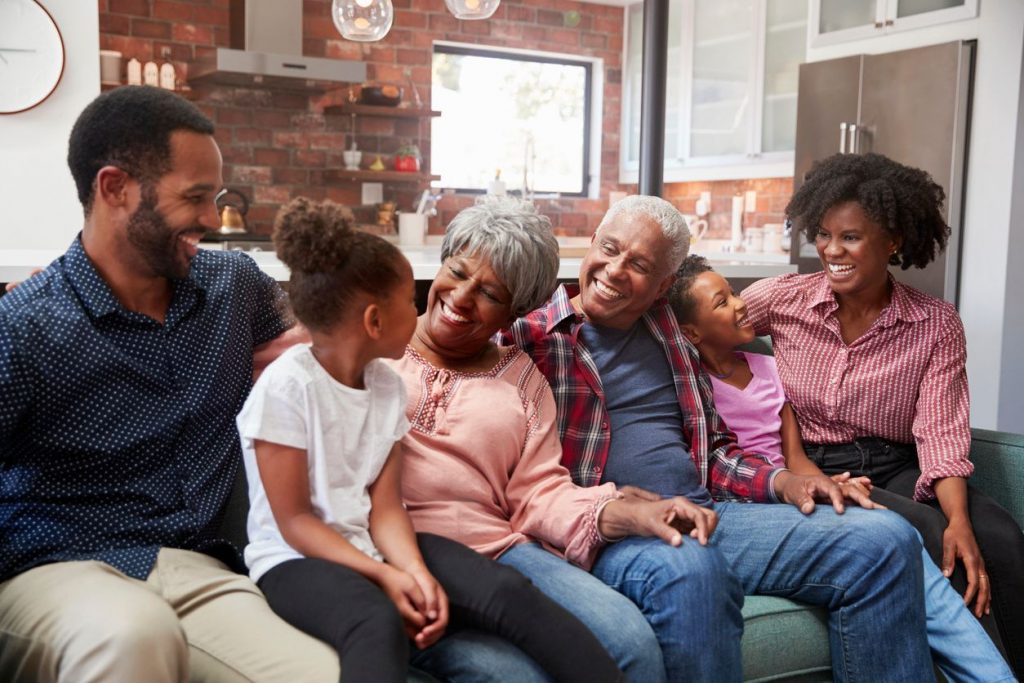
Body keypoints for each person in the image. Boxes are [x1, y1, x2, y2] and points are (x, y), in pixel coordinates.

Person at [502, 194, 935, 683]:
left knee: (886, 540)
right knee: (692, 568)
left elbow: (713, 453)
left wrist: (784, 484)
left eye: (639, 264)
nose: (615, 270)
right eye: (609, 247)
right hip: (618, 531)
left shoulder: (668, 328)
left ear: (664, 285)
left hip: (712, 513)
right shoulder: (531, 338)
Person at [0, 86, 337, 681]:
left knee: (333, 673)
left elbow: (313, 351)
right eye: (195, 197)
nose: (212, 218)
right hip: (57, 568)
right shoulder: (25, 325)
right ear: (114, 189)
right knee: (133, 635)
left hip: (201, 569)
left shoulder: (234, 285)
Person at [238, 197, 625, 683]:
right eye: (408, 301)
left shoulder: (383, 386)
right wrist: (386, 575)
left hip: (375, 542)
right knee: (375, 620)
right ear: (375, 322)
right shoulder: (287, 384)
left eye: (489, 291)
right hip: (295, 560)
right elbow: (293, 521)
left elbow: (386, 508)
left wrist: (415, 572)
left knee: (510, 592)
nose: (427, 308)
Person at [389, 197, 719, 683]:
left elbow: (540, 494)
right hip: (390, 544)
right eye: (457, 273)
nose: (461, 297)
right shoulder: (375, 344)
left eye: (490, 294)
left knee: (629, 641)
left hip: (498, 551)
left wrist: (625, 512)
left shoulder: (523, 379)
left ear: (515, 314)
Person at [669, 254, 1015, 683]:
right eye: (722, 301)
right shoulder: (691, 384)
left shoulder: (770, 369)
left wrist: (827, 484)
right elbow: (712, 465)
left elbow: (795, 458)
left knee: (935, 537)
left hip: (808, 483)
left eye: (734, 293)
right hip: (754, 501)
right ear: (691, 332)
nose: (741, 304)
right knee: (903, 533)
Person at [741, 153, 1024, 677]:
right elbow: (703, 324)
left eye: (849, 237)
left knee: (999, 536)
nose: (830, 250)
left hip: (895, 462)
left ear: (892, 241)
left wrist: (961, 519)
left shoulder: (933, 323)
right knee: (935, 538)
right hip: (812, 465)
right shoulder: (782, 299)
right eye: (823, 235)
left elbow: (940, 432)